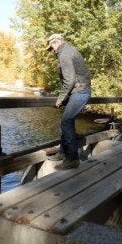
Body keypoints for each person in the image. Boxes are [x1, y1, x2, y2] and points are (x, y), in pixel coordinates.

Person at [45, 33, 91, 170]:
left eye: (52, 47)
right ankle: (63, 152)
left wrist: (61, 98)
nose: (52, 50)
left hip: (80, 91)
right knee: (65, 121)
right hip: (80, 90)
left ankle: (72, 159)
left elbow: (69, 80)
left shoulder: (64, 54)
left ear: (57, 42)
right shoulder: (70, 50)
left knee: (66, 122)